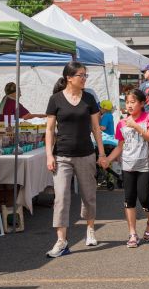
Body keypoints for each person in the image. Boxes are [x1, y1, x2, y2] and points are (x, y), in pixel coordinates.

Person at [45, 61, 106, 258]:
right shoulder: (55, 99)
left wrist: (102, 153)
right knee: (61, 197)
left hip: (86, 153)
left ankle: (90, 229)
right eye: (81, 75)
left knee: (89, 196)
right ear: (69, 78)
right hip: (62, 155)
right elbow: (49, 130)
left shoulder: (89, 98)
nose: (84, 78)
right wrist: (49, 155)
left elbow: (96, 128)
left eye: (85, 75)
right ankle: (61, 241)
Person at [102, 89, 149, 248]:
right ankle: (132, 233)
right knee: (129, 200)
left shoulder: (148, 117)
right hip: (128, 165)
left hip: (145, 165)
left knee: (145, 198)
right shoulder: (121, 123)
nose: (129, 105)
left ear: (142, 103)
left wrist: (136, 126)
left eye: (133, 102)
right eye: (127, 102)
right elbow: (120, 146)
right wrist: (108, 159)